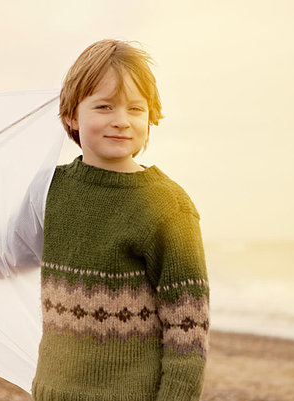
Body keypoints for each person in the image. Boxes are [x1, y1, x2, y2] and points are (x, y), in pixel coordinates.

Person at [31, 39, 209, 400]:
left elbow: (188, 331)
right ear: (71, 115)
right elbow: (1, 250)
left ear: (151, 116)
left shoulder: (167, 205)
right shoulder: (50, 190)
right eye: (104, 106)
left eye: (135, 109)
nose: (121, 121)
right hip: (54, 393)